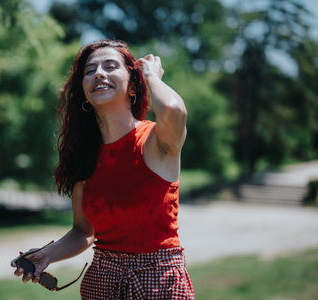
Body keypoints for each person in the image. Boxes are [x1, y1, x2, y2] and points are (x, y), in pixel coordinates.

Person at [11, 39, 195, 299]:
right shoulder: (84, 158)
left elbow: (174, 109)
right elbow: (83, 231)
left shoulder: (155, 140)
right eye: (90, 70)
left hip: (159, 284)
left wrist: (152, 76)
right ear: (85, 92)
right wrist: (47, 255)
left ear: (132, 86)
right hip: (101, 285)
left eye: (110, 67)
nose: (99, 73)